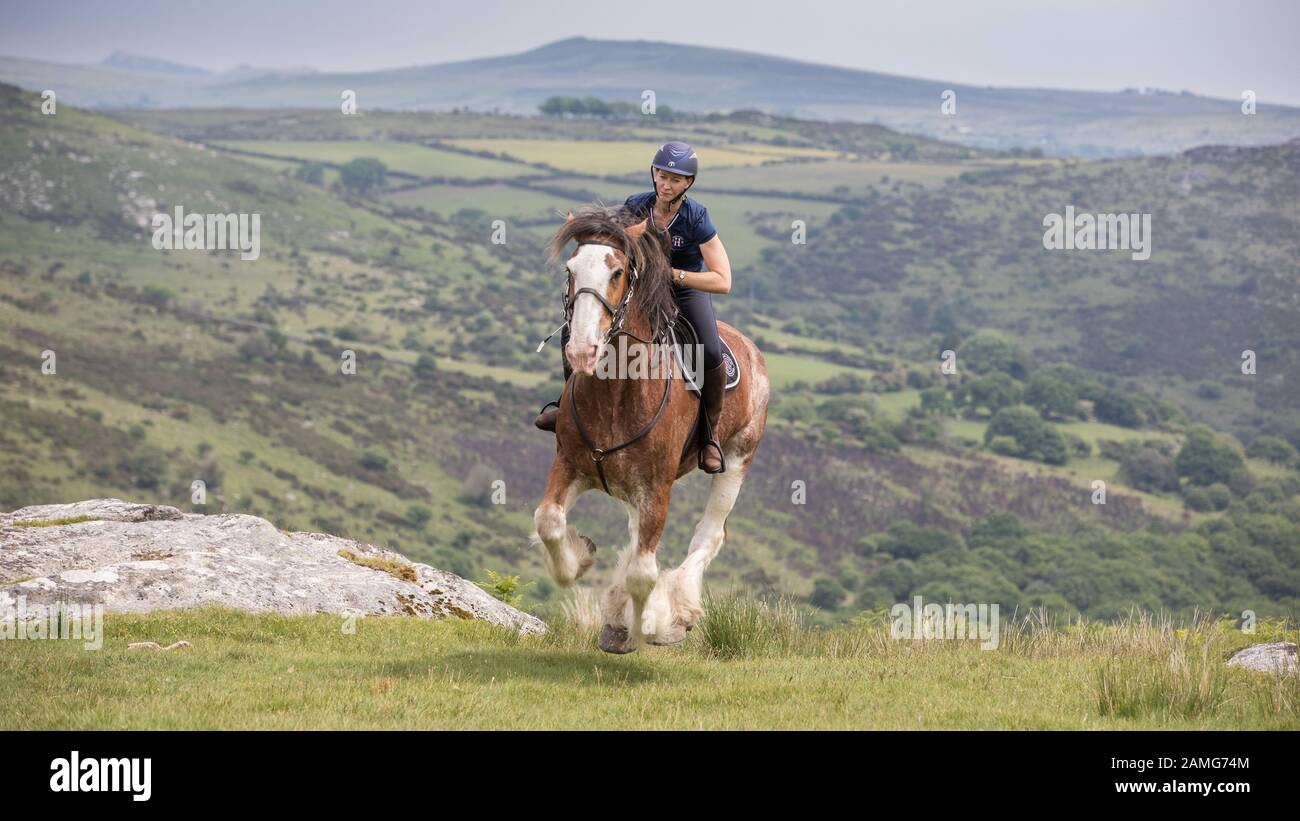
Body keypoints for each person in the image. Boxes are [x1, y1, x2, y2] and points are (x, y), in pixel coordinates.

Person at [534, 140, 734, 473]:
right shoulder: (637, 205)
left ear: (688, 184)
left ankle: (709, 436)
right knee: (574, 329)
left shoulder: (697, 217)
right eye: (661, 175)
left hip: (684, 291)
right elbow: (609, 237)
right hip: (642, 290)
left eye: (675, 179)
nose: (665, 184)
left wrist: (674, 274)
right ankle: (566, 404)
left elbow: (722, 280)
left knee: (709, 352)